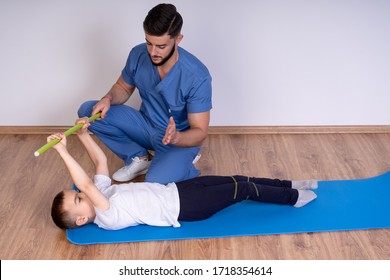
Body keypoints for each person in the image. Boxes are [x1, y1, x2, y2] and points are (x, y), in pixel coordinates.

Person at [49, 118, 318, 230]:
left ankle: (287, 184)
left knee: (239, 180)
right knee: (243, 191)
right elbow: (84, 181)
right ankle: (294, 196)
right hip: (187, 208)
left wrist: (83, 135)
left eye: (76, 193)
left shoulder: (101, 193)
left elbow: (98, 161)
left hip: (178, 190)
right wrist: (62, 151)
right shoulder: (105, 214)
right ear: (83, 218)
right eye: (78, 198)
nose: (81, 191)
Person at [78, 3, 212, 184]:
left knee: (154, 182)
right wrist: (107, 98)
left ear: (178, 39)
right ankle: (140, 158)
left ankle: (183, 163)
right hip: (146, 127)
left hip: (177, 139)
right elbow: (123, 88)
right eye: (149, 43)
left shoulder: (197, 76)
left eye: (161, 46)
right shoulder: (138, 54)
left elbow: (200, 132)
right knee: (88, 110)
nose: (153, 52)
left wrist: (177, 137)